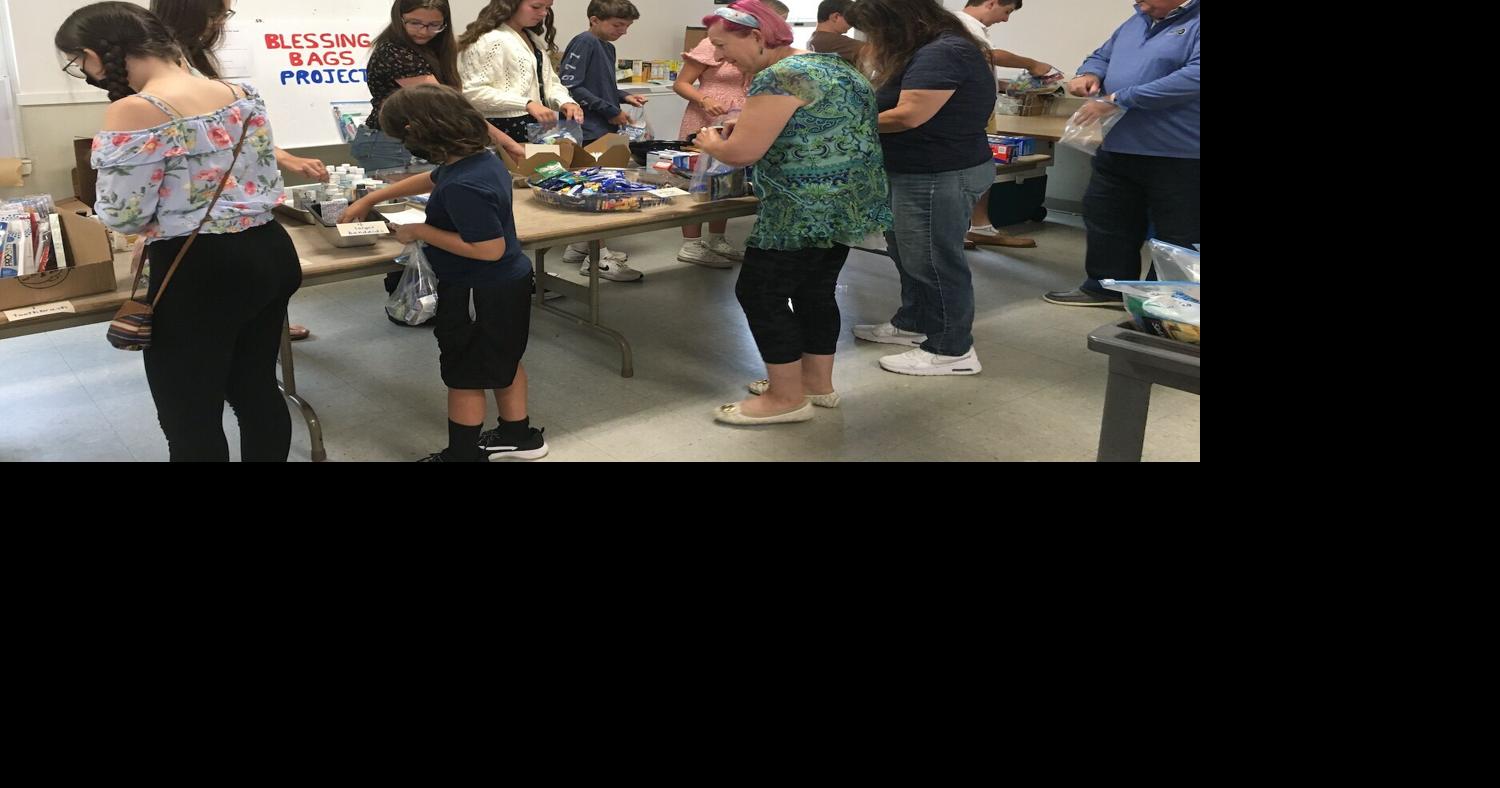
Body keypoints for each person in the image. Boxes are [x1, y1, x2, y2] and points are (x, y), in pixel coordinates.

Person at [62, 1, 302, 460]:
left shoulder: (135, 110)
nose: (85, 72)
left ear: (97, 52)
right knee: (255, 388)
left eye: (79, 62)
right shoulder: (239, 91)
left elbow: (123, 215)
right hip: (270, 249)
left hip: (200, 269)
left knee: (189, 413)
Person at [692, 0, 890, 425]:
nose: (720, 57)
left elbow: (742, 152)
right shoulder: (837, 66)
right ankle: (816, 385)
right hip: (849, 202)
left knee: (759, 292)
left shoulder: (780, 76)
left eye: (723, 46)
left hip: (803, 207)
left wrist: (711, 144)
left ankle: (785, 398)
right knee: (814, 291)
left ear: (758, 38)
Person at [342, 85, 548, 461]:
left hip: (476, 288)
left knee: (464, 374)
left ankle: (463, 455)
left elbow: (488, 249)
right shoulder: (480, 158)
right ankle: (519, 436)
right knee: (503, 358)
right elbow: (434, 178)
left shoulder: (464, 185)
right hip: (507, 283)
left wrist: (419, 230)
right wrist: (372, 197)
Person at [845, 0, 995, 376]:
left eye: (875, 29)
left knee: (933, 261)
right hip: (916, 171)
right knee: (909, 254)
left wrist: (843, 125)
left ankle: (952, 349)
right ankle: (913, 323)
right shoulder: (926, 50)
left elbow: (910, 114)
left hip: (937, 172)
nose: (873, 38)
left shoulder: (944, 51)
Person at [1043, 0, 1200, 307]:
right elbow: (1102, 56)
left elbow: (1194, 77)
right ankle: (1105, 288)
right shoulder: (1137, 21)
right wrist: (1090, 73)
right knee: (1107, 219)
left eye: (1146, 0)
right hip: (1119, 145)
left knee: (1178, 232)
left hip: (1179, 152)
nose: (1139, 5)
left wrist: (1120, 98)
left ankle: (1169, 302)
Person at [558, 0, 650, 281]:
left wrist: (623, 97)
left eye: (627, 26)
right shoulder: (584, 42)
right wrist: (611, 111)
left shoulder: (607, 47)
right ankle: (598, 259)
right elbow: (570, 84)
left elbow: (603, 84)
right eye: (617, 25)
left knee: (599, 188)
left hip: (602, 127)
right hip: (586, 130)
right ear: (595, 19)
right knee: (596, 192)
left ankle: (579, 246)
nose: (622, 31)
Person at [955, 0, 1053, 250]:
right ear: (991, 3)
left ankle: (980, 227)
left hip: (979, 111)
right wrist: (1032, 64)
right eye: (1006, 11)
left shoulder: (973, 27)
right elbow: (988, 55)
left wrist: (1006, 86)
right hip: (963, 114)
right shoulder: (961, 24)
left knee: (983, 168)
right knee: (963, 171)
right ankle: (957, 230)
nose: (1005, 19)